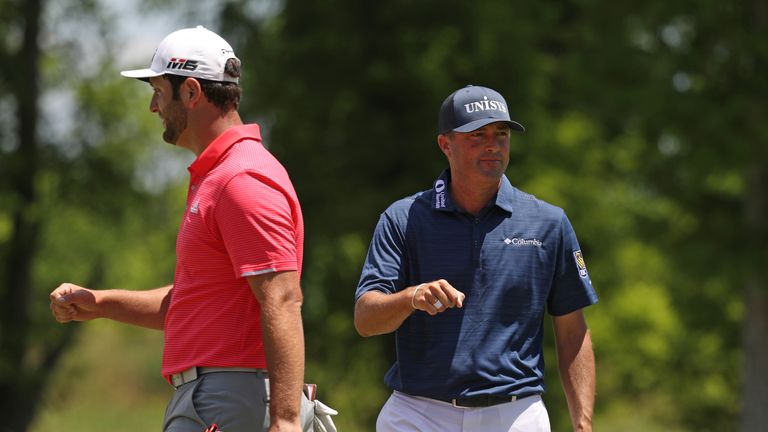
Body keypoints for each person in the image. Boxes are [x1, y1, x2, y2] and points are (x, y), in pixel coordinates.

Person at [49, 26, 315, 432]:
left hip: (231, 398)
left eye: (158, 91)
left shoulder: (241, 179)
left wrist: (286, 420)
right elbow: (193, 302)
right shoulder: (219, 177)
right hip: (215, 397)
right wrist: (101, 303)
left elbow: (282, 298)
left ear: (191, 92)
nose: (154, 106)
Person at [354, 85, 598, 432]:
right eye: (477, 135)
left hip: (515, 414)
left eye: (500, 134)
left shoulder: (549, 223)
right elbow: (365, 319)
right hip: (418, 413)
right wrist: (412, 297)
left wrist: (583, 423)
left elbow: (573, 331)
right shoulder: (403, 218)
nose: (492, 145)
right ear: (445, 144)